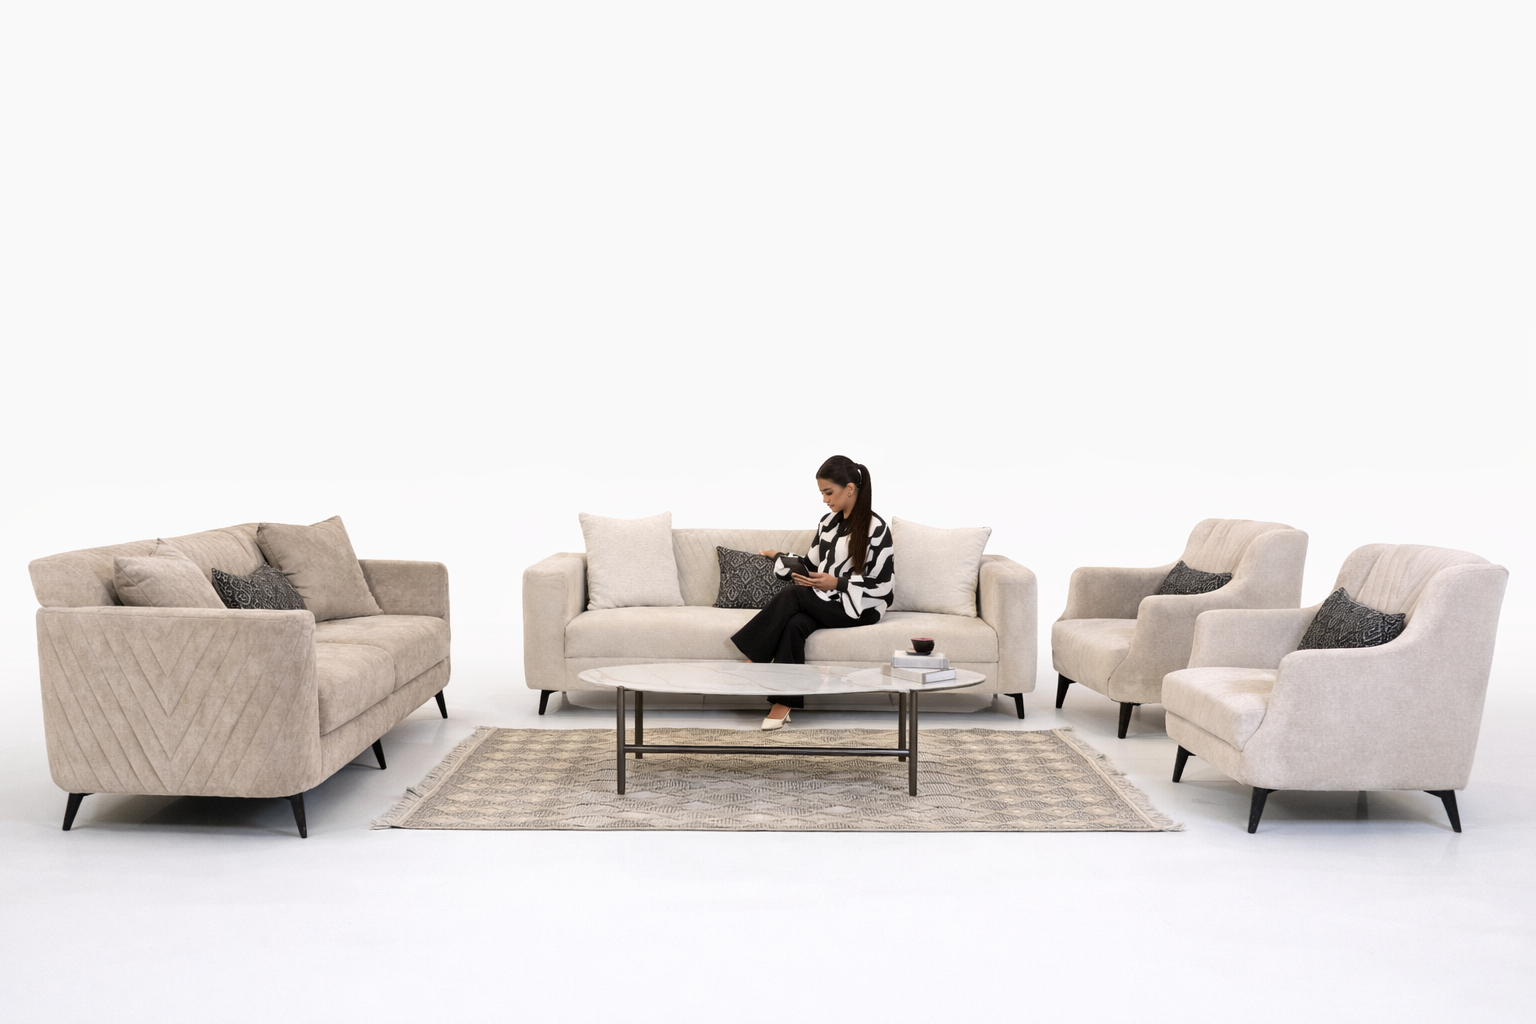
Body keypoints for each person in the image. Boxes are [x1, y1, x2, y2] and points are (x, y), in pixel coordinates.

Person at [730, 455, 895, 730]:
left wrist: (838, 583)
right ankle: (783, 702)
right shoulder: (827, 523)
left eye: (828, 492)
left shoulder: (877, 529)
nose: (824, 500)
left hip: (860, 607)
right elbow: (811, 564)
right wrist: (782, 558)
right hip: (827, 601)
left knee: (793, 595)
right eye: (822, 493)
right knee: (795, 623)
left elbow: (884, 586)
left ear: (850, 489)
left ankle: (754, 658)